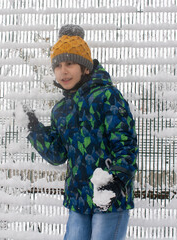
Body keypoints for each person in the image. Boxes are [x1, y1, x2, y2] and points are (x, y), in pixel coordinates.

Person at [25, 24, 138, 240]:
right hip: (78, 199)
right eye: (57, 66)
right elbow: (58, 155)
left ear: (86, 67)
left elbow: (126, 144)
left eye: (69, 63)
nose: (63, 71)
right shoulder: (60, 110)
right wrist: (34, 129)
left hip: (110, 197)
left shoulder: (107, 96)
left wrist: (117, 180)